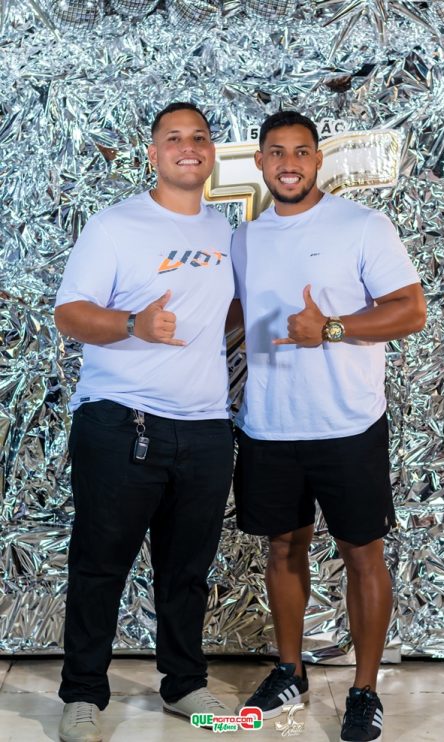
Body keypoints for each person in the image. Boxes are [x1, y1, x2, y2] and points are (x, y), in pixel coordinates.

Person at [231, 110, 426, 742]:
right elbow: (231, 314)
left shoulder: (362, 225)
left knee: (361, 553)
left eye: (301, 152)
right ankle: (290, 671)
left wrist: (332, 328)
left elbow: (411, 310)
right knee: (282, 548)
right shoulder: (244, 238)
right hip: (270, 424)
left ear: (318, 160)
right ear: (260, 162)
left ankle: (364, 690)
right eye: (277, 152)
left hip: (347, 423)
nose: (289, 163)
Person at [55, 102, 235, 742]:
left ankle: (184, 683)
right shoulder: (115, 225)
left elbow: (228, 311)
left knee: (187, 570)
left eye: (199, 137)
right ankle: (83, 695)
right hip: (121, 421)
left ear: (211, 153)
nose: (188, 146)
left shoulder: (226, 232)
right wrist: (134, 324)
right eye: (174, 138)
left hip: (206, 427)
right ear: (154, 153)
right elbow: (70, 313)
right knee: (100, 565)